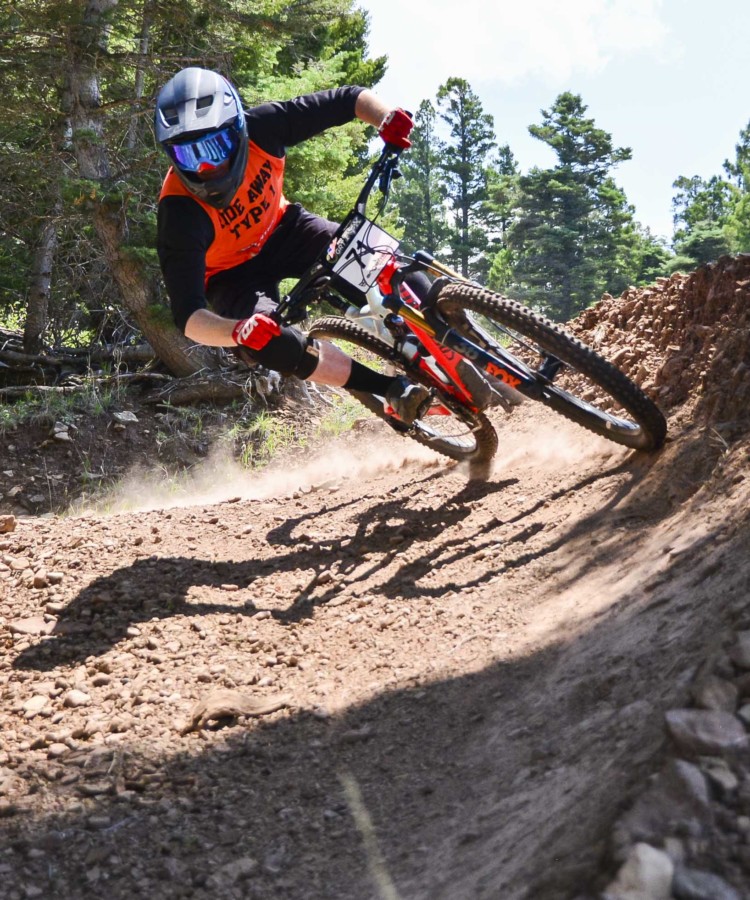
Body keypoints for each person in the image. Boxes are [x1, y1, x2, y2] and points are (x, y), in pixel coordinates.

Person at [154, 67, 431, 423]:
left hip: (286, 229)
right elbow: (189, 317)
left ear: (237, 128)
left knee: (383, 262)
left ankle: (452, 332)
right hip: (232, 277)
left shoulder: (264, 127)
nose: (206, 166)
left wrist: (386, 118)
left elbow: (347, 100)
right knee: (271, 343)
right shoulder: (179, 213)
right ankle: (387, 389)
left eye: (214, 146)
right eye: (188, 156)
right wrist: (238, 331)